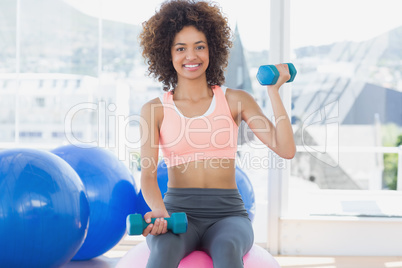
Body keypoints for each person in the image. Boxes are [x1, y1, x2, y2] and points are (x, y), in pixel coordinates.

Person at [138, 0, 296, 267]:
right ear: (167, 54)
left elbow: (285, 149)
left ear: (212, 49)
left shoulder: (236, 100)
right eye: (181, 48)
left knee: (227, 247)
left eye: (200, 46)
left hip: (228, 215)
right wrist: (161, 213)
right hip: (177, 212)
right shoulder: (154, 110)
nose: (192, 56)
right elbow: (148, 176)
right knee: (163, 250)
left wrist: (274, 92)